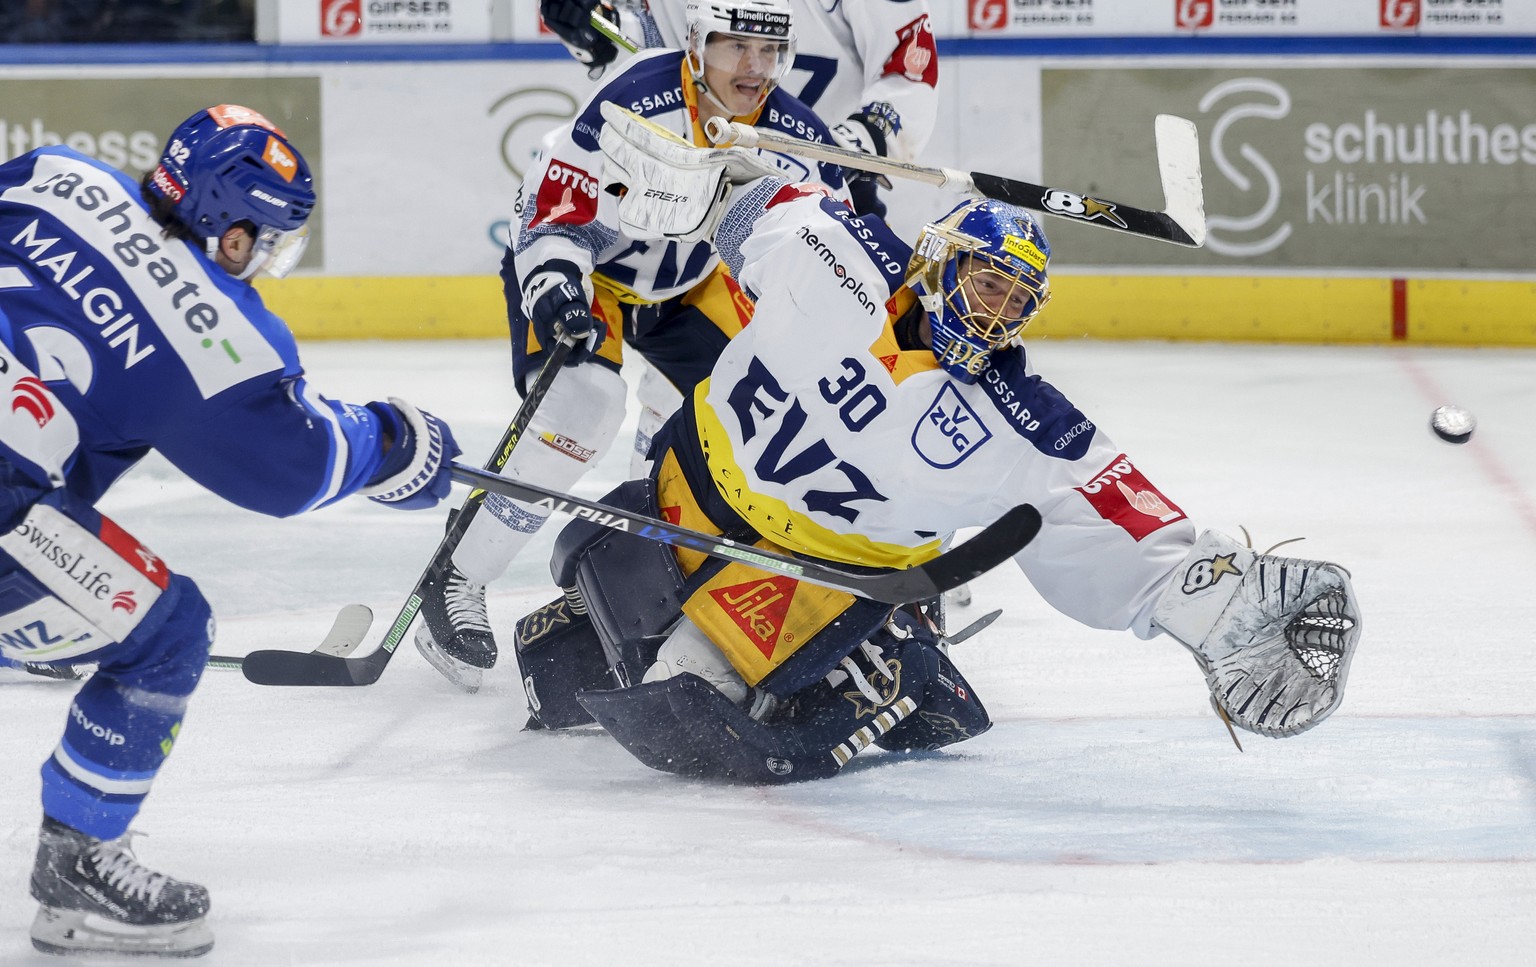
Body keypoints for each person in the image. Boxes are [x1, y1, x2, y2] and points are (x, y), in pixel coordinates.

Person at [501, 105, 1364, 783]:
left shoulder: (1026, 424)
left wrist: (1223, 601)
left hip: (797, 580)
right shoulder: (833, 249)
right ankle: (837, 649)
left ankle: (881, 659)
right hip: (682, 492)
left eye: (1013, 303)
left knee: (674, 719)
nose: (991, 314)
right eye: (983, 283)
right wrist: (703, 164)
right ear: (934, 264)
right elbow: (740, 199)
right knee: (553, 659)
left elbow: (1129, 524)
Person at [0, 104, 460, 958]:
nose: (265, 261)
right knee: (169, 631)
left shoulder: (60, 175)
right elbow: (294, 468)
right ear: (234, 232)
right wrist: (397, 442)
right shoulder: (214, 325)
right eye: (271, 240)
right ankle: (77, 867)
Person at [413, 0, 851, 691]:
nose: (755, 67)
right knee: (581, 407)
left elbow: (839, 246)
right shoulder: (633, 101)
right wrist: (556, 285)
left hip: (687, 287)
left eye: (769, 51)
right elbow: (555, 208)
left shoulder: (795, 132)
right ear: (698, 43)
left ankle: (632, 584)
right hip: (595, 274)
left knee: (759, 415)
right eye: (737, 47)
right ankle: (459, 571)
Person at [540, 0, 939, 217]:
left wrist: (856, 146)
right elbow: (654, 50)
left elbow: (909, 68)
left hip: (821, 184)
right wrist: (591, 28)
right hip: (691, 185)